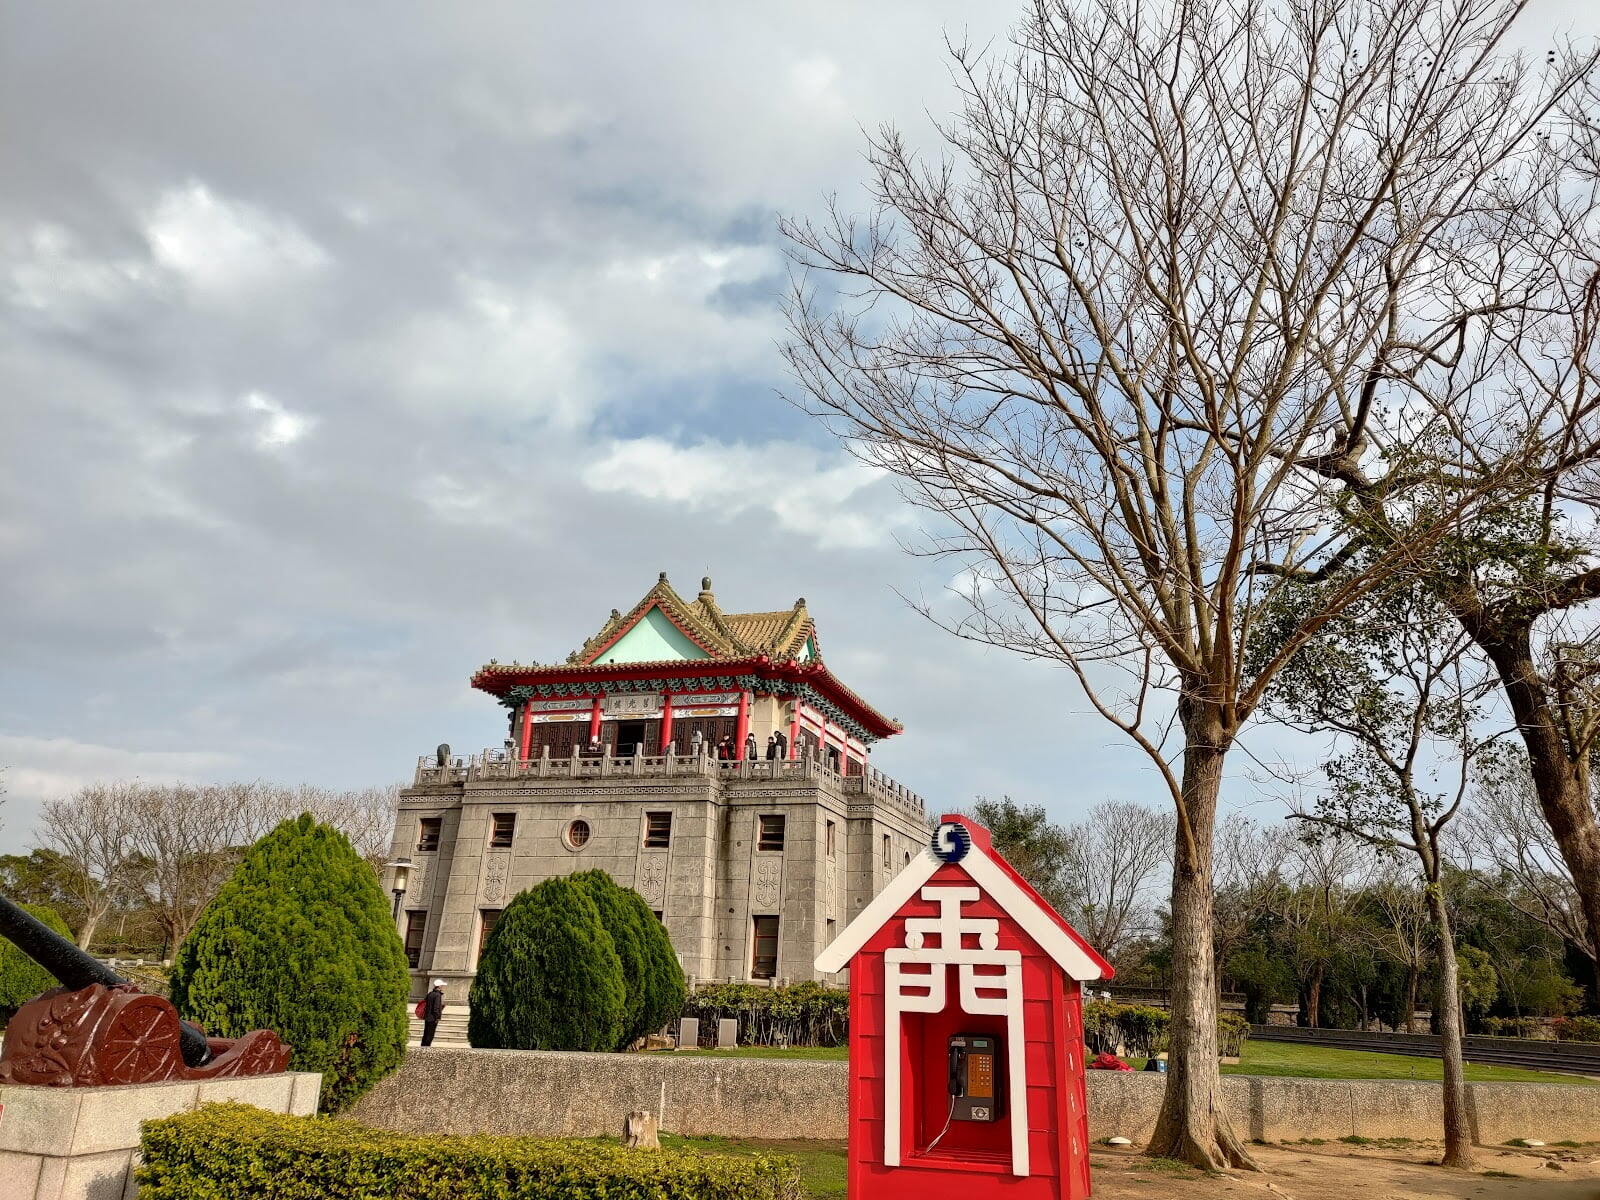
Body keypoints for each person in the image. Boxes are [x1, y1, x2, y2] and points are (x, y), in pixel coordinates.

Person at [420, 980, 446, 1047]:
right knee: (430, 1034)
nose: (443, 987)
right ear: (439, 986)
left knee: (426, 1033)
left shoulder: (430, 993)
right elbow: (436, 1008)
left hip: (427, 1016)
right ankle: (427, 1048)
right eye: (442, 985)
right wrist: (437, 1017)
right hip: (433, 1018)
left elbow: (426, 1003)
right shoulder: (437, 995)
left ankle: (423, 1047)